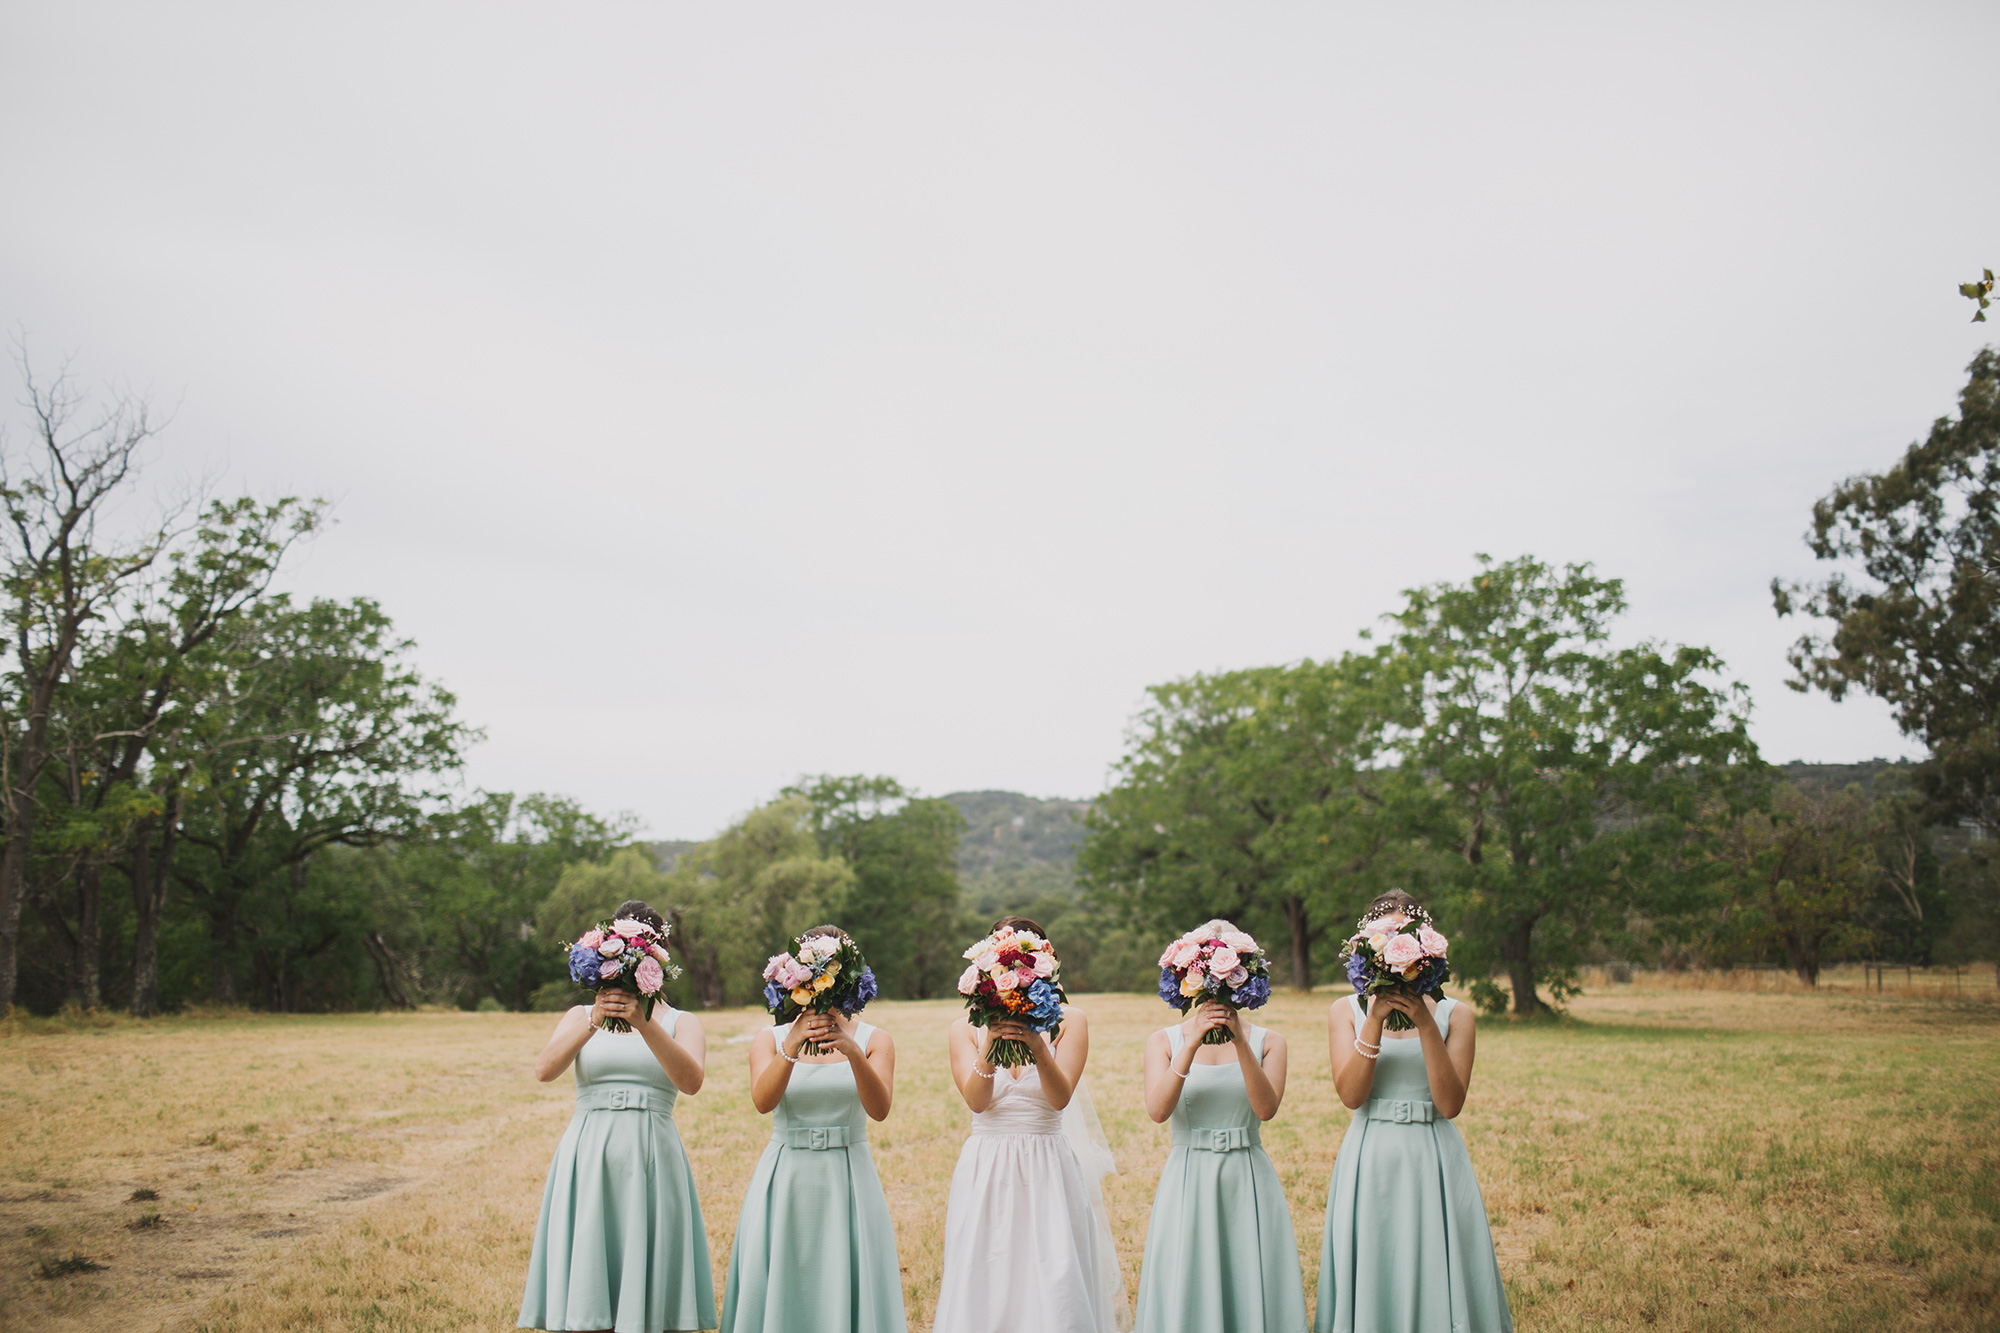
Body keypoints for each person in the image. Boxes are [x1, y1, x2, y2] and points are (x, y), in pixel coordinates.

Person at [1316, 890, 1512, 1333]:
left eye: (1403, 936)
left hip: (1433, 1155)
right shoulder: (1344, 1011)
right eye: (1384, 939)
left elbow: (1450, 1104)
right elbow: (1350, 1096)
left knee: (1437, 1263)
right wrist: (1374, 1020)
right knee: (1376, 1263)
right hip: (1371, 1154)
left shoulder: (1456, 1015)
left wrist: (1425, 1022)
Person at [519, 899, 714, 1333]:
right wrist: (593, 1018)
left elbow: (691, 1081)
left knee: (648, 1284)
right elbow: (544, 1070)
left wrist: (645, 1024)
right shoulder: (579, 1015)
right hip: (590, 1150)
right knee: (591, 1273)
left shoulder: (682, 1021)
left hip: (652, 1152)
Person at [934, 917, 1130, 1333]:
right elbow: (976, 1101)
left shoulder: (1070, 1020)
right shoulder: (963, 1028)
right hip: (987, 1166)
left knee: (1054, 1275)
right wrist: (990, 1042)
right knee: (986, 1273)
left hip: (1048, 1164)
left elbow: (1059, 1099)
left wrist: (1038, 1044)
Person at [720, 925, 906, 1333]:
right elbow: (762, 1102)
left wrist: (853, 1051)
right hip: (786, 1174)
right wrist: (791, 1045)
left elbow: (879, 1110)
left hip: (849, 1175)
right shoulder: (768, 1039)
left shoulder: (877, 1040)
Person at [1132, 920, 1307, 1333]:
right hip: (1189, 1175)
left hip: (1247, 1174)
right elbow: (1158, 1111)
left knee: (1249, 1278)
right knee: (1190, 1280)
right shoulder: (1163, 1040)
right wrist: (1191, 1043)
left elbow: (1265, 1109)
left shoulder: (1270, 1042)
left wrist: (1240, 1042)